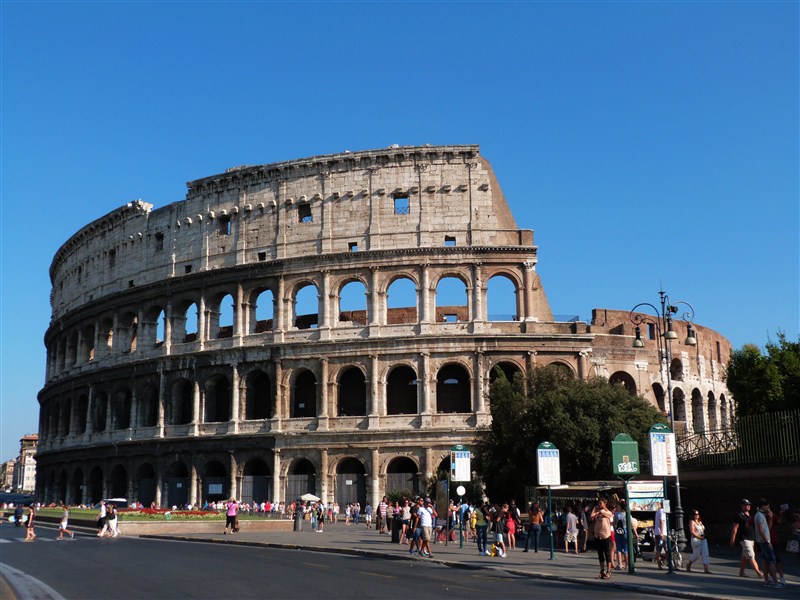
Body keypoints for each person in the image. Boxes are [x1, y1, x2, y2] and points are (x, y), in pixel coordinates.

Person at [753, 498, 784, 588]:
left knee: (766, 560)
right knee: (771, 561)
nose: (769, 508)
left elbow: (766, 529)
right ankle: (775, 581)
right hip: (764, 541)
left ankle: (767, 580)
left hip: (764, 541)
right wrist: (767, 540)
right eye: (767, 506)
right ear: (763, 506)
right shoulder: (759, 516)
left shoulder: (762, 515)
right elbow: (760, 529)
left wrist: (770, 518)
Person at [730, 498, 763, 578]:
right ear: (742, 506)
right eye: (746, 504)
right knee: (751, 555)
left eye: (749, 505)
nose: (748, 506)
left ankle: (741, 572)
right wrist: (732, 539)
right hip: (744, 538)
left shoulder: (751, 516)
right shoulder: (739, 515)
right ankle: (759, 572)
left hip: (751, 538)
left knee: (745, 556)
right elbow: (735, 528)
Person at [590, 498, 614, 579]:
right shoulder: (598, 512)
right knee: (600, 553)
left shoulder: (607, 512)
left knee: (606, 553)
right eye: (598, 503)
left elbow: (610, 515)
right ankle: (602, 570)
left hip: (605, 534)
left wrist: (601, 511)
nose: (599, 504)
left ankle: (608, 571)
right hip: (598, 534)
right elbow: (591, 516)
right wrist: (594, 509)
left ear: (604, 503)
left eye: (601, 503)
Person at [685, 509, 712, 574]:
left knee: (705, 553)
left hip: (703, 539)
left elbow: (702, 530)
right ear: (693, 515)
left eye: (698, 514)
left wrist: (703, 536)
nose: (697, 516)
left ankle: (706, 569)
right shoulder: (692, 522)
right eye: (695, 514)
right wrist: (699, 537)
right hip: (696, 540)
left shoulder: (699, 522)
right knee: (696, 554)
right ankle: (689, 564)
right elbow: (692, 532)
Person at [613, 501, 628, 569]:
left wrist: (615, 529)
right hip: (625, 530)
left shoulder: (616, 514)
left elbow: (614, 523)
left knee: (618, 548)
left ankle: (620, 564)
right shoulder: (627, 514)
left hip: (618, 530)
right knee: (625, 548)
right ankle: (627, 564)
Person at [653, 501, 667, 570]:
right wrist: (662, 532)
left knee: (659, 549)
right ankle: (670, 564)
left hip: (657, 533)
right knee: (666, 549)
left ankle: (659, 565)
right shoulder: (662, 512)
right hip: (662, 534)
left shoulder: (658, 511)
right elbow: (662, 521)